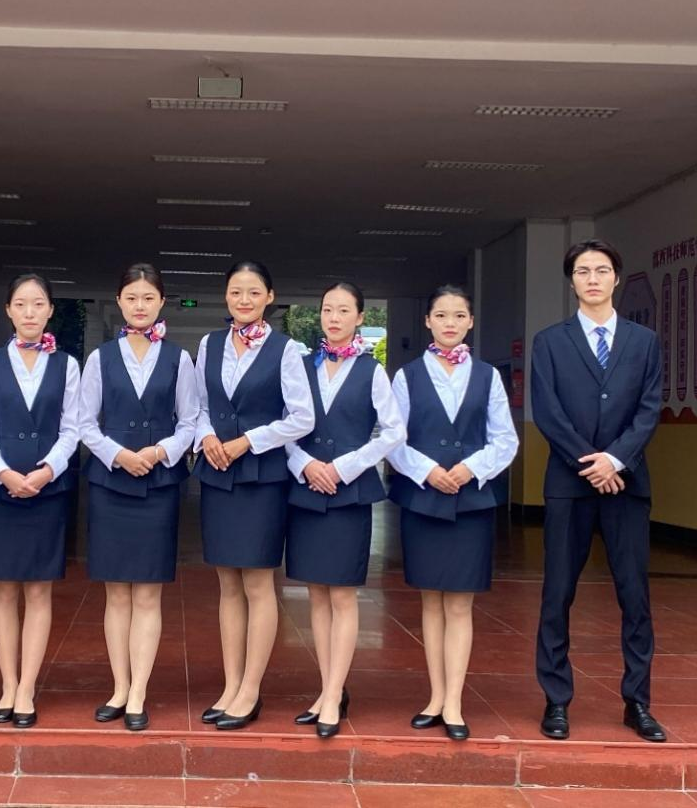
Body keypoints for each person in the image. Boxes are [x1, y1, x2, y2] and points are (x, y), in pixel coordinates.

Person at [532, 239, 665, 743]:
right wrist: (591, 464)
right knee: (557, 594)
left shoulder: (644, 341)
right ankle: (556, 700)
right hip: (569, 485)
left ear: (616, 278)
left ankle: (638, 701)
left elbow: (649, 408)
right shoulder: (550, 342)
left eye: (602, 270)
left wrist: (615, 460)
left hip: (626, 484)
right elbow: (548, 411)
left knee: (635, 596)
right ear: (572, 281)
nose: (593, 278)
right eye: (583, 271)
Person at [387, 285, 518, 741]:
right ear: (427, 321)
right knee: (430, 600)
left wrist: (469, 469)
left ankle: (456, 702)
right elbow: (393, 437)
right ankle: (435, 697)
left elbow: (505, 439)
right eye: (440, 315)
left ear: (470, 322)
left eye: (458, 315)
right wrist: (427, 471)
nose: (449, 323)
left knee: (460, 604)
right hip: (423, 499)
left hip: (471, 501)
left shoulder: (487, 376)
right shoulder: (406, 377)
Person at [194, 261, 315, 730]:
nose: (243, 300)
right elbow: (199, 406)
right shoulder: (209, 344)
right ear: (226, 296)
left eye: (253, 292)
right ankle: (230, 685)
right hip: (218, 475)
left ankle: (250, 689)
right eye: (235, 291)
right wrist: (206, 436)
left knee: (258, 585)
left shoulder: (286, 350)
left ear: (270, 297)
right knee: (227, 584)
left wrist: (249, 441)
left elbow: (301, 417)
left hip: (262, 477)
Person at [79, 263, 199, 732]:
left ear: (162, 302)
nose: (140, 306)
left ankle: (139, 693)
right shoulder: (100, 358)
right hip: (112, 481)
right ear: (119, 302)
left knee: (147, 593)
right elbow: (84, 422)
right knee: (116, 593)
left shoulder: (179, 358)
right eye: (131, 298)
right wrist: (118, 455)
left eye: (148, 298)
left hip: (158, 482)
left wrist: (159, 451)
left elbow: (190, 421)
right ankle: (119, 686)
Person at [284, 281, 406, 739]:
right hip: (307, 489)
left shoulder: (372, 371)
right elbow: (284, 426)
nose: (333, 318)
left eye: (343, 311)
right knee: (316, 594)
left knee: (342, 595)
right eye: (327, 310)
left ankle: (335, 694)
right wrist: (305, 464)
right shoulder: (300, 366)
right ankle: (325, 688)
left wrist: (345, 467)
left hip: (349, 492)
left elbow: (392, 431)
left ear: (360, 318)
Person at [0, 273, 81, 729]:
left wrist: (45, 471)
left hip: (47, 488)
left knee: (38, 589)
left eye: (38, 304)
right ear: (8, 310)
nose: (30, 312)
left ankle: (27, 687)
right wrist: (3, 473)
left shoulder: (67, 365)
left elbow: (72, 427)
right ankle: (6, 683)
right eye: (21, 304)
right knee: (3, 589)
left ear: (50, 310)